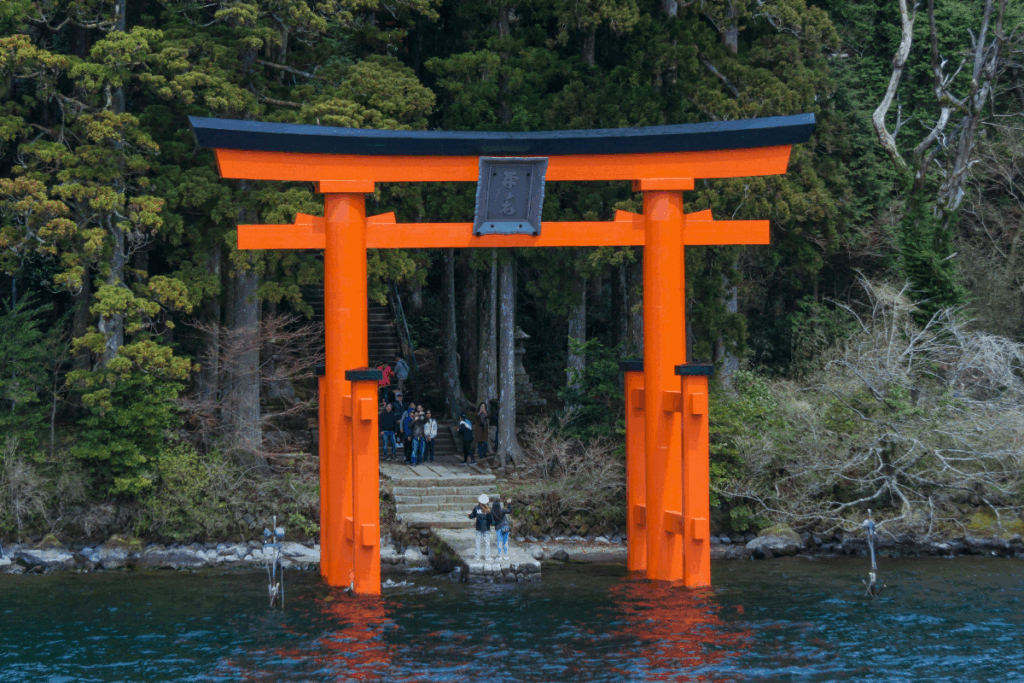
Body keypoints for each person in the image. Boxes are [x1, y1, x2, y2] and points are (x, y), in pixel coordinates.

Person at [468, 494, 493, 561]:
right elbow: (490, 519)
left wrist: (469, 515)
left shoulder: (476, 508)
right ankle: (487, 557)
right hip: (486, 528)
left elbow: (472, 515)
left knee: (478, 542)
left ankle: (477, 557)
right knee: (487, 542)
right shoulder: (488, 509)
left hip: (478, 527)